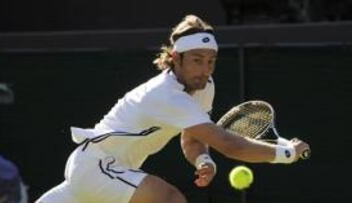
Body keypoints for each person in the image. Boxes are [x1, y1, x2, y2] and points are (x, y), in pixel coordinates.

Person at [36, 14, 310, 203]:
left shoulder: (204, 86)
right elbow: (229, 144)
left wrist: (203, 160)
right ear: (176, 58)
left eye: (211, 61)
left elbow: (192, 139)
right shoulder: (166, 95)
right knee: (170, 199)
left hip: (104, 172)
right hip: (97, 166)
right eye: (196, 60)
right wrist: (285, 153)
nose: (204, 70)